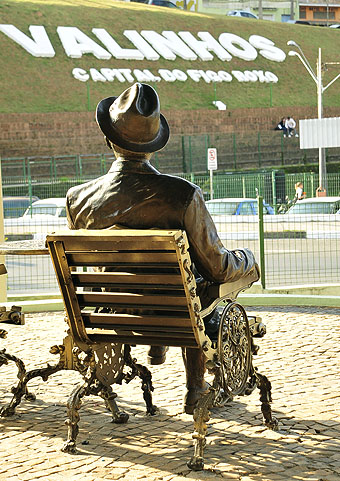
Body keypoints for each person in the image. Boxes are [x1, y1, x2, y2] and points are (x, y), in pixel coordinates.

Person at [66, 83, 260, 415]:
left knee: (180, 284)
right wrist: (248, 261)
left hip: (109, 313)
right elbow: (216, 266)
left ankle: (157, 347)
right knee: (203, 288)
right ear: (153, 146)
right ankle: (195, 389)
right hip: (176, 315)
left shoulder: (77, 199)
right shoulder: (182, 195)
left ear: (109, 140)